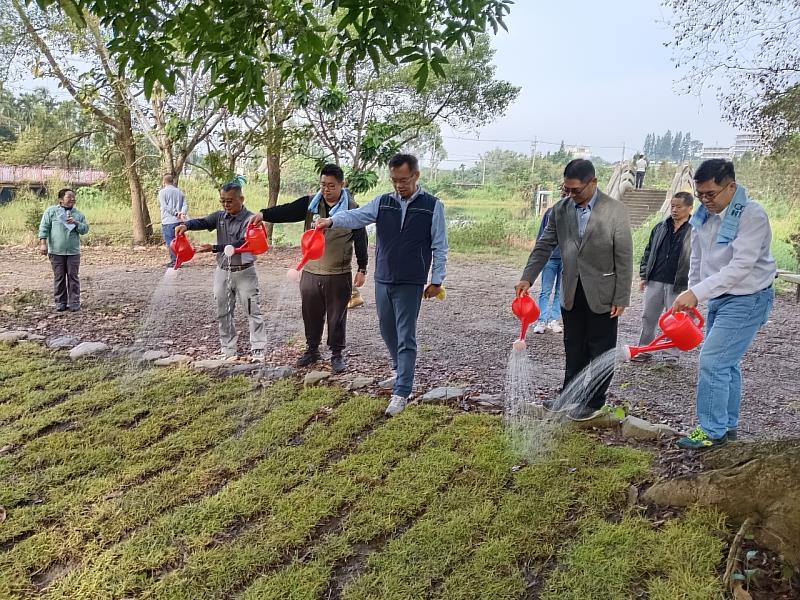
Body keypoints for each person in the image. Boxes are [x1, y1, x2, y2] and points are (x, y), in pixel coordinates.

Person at [316, 153, 448, 417]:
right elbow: (357, 216)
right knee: (387, 329)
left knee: (406, 334)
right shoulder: (383, 203)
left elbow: (440, 245)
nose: (399, 185)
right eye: (394, 180)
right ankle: (400, 373)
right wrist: (331, 220)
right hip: (384, 277)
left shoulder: (432, 206)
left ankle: (402, 391)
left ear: (416, 176)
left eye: (404, 179)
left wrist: (436, 279)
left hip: (411, 280)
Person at [515, 159, 633, 420]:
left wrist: (622, 295)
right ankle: (569, 394)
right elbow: (544, 244)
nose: (570, 194)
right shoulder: (561, 209)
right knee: (573, 345)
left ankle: (594, 401)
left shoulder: (615, 211)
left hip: (604, 292)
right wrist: (528, 277)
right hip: (571, 290)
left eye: (576, 190)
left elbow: (624, 256)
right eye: (567, 189)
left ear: (593, 183)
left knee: (600, 348)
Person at [672, 159, 775, 449]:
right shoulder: (704, 215)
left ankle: (712, 432)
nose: (704, 201)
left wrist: (698, 293)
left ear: (731, 186)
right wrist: (694, 291)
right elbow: (698, 257)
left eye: (711, 194)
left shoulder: (751, 215)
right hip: (719, 294)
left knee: (713, 360)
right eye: (700, 194)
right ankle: (727, 427)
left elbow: (740, 267)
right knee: (726, 363)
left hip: (748, 296)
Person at [246, 164, 368, 373]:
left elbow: (361, 239)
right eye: (323, 185)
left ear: (342, 185)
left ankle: (336, 354)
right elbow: (287, 211)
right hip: (310, 271)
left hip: (338, 273)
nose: (326, 189)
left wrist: (362, 268)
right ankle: (312, 349)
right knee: (310, 313)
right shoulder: (310, 205)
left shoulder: (353, 210)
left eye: (331, 185)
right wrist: (263, 214)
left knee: (337, 316)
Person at [175, 180, 267, 361]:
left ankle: (258, 349)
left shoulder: (250, 220)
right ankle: (228, 349)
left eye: (230, 201)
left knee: (252, 309)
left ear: (241, 199)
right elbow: (204, 221)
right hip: (223, 270)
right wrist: (187, 225)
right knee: (223, 311)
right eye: (223, 201)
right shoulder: (220, 216)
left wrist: (215, 247)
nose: (226, 205)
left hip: (244, 271)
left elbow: (243, 243)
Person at [633, 191, 694, 364]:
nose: (674, 210)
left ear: (689, 208)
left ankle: (671, 355)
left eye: (679, 207)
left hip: (679, 283)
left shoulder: (694, 230)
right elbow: (648, 251)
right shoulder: (660, 227)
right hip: (656, 279)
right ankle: (644, 350)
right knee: (648, 316)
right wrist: (644, 275)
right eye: (672, 206)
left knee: (676, 320)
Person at [38, 188, 90, 312]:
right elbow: (44, 227)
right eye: (69, 197)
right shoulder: (51, 211)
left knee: (73, 277)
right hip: (56, 251)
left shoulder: (78, 214)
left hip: (73, 252)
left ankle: (74, 302)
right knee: (59, 277)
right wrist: (43, 244)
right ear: (61, 199)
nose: (72, 199)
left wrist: (76, 223)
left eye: (73, 197)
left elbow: (85, 230)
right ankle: (60, 302)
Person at [532, 205, 563, 334]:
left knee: (560, 292)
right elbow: (541, 236)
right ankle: (541, 321)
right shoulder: (551, 212)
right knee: (545, 291)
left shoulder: (576, 213)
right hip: (550, 258)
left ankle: (554, 320)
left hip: (567, 259)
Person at [159, 174, 188, 267]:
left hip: (168, 221)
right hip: (179, 221)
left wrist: (175, 213)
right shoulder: (179, 192)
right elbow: (185, 205)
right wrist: (182, 213)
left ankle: (175, 261)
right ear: (173, 181)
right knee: (179, 241)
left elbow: (165, 206)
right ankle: (180, 259)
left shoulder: (162, 192)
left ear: (164, 182)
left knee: (170, 242)